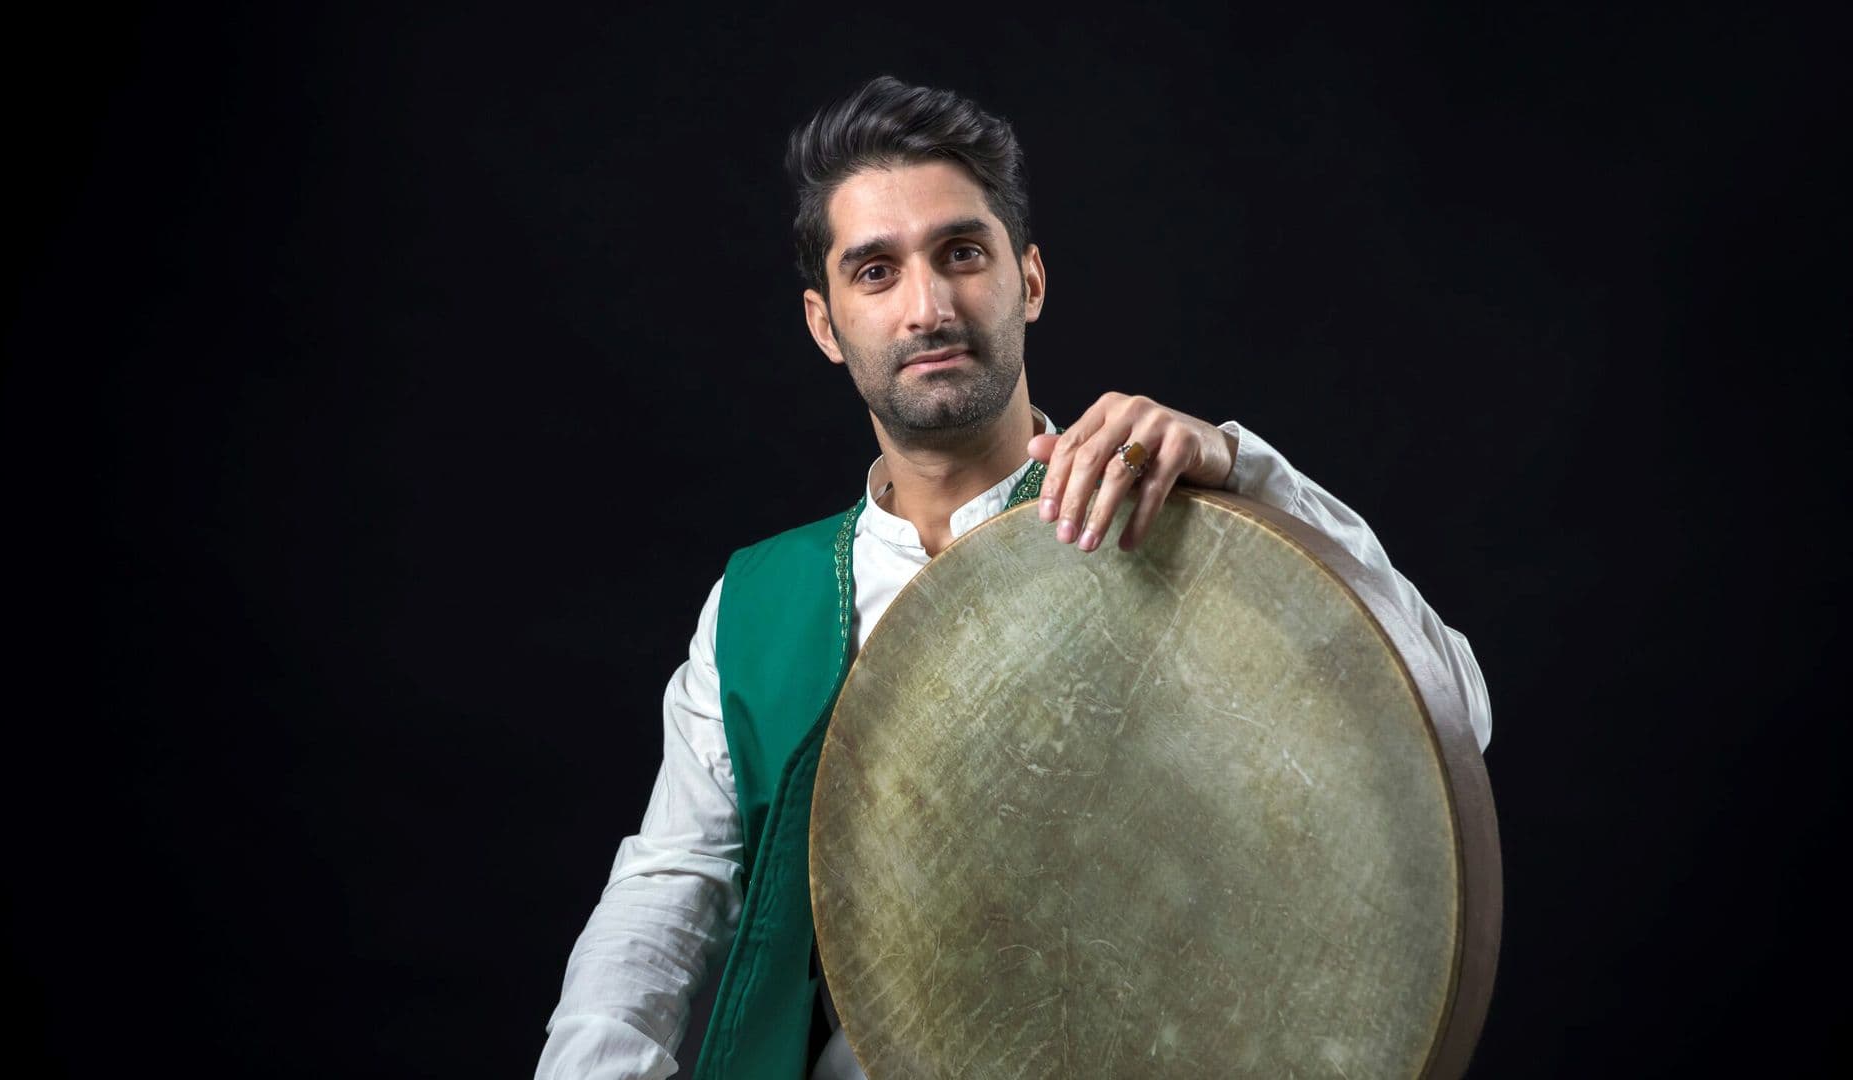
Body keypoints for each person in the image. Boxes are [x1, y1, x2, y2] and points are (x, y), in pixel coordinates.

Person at [534, 75, 1493, 1080]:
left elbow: (1453, 716)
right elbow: (668, 891)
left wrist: (1245, 473)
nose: (929, 307)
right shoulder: (757, 606)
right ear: (825, 325)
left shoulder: (1173, 519)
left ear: (1027, 279)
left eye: (962, 253)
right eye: (876, 272)